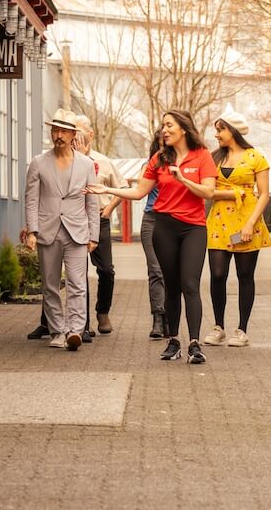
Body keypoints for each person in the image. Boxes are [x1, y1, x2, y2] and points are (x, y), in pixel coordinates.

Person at [88, 110, 216, 364]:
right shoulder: (159, 159)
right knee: (171, 286)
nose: (164, 130)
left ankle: (194, 344)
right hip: (164, 228)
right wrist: (107, 189)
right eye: (163, 126)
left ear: (183, 128)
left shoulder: (202, 156)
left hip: (193, 229)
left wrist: (183, 178)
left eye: (169, 125)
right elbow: (138, 193)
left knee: (190, 284)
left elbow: (209, 192)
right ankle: (173, 342)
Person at [23, 109, 100, 351]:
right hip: (48, 231)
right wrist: (32, 231)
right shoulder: (38, 163)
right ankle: (57, 331)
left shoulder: (87, 164)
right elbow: (31, 199)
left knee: (78, 284)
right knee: (50, 284)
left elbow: (93, 201)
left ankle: (75, 331)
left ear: (73, 135)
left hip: (77, 232)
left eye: (63, 131)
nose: (58, 135)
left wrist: (94, 235)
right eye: (55, 130)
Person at [202, 111, 271, 348]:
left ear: (232, 130)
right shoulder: (214, 158)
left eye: (220, 129)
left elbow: (263, 195)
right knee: (217, 274)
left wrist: (251, 223)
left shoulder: (256, 157)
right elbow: (207, 190)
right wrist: (231, 193)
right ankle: (218, 326)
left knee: (245, 276)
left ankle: (242, 329)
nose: (216, 134)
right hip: (219, 221)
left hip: (247, 221)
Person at [73, 114, 125, 335]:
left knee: (106, 270)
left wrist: (111, 207)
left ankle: (102, 312)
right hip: (75, 220)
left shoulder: (103, 161)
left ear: (90, 134)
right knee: (78, 273)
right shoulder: (67, 161)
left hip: (100, 219)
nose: (75, 137)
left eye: (79, 132)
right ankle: (81, 323)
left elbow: (121, 188)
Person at [141, 127, 167, 339]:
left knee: (171, 272)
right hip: (151, 219)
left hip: (174, 220)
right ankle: (158, 318)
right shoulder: (151, 164)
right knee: (155, 270)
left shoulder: (183, 163)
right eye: (160, 142)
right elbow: (140, 190)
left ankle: (171, 317)